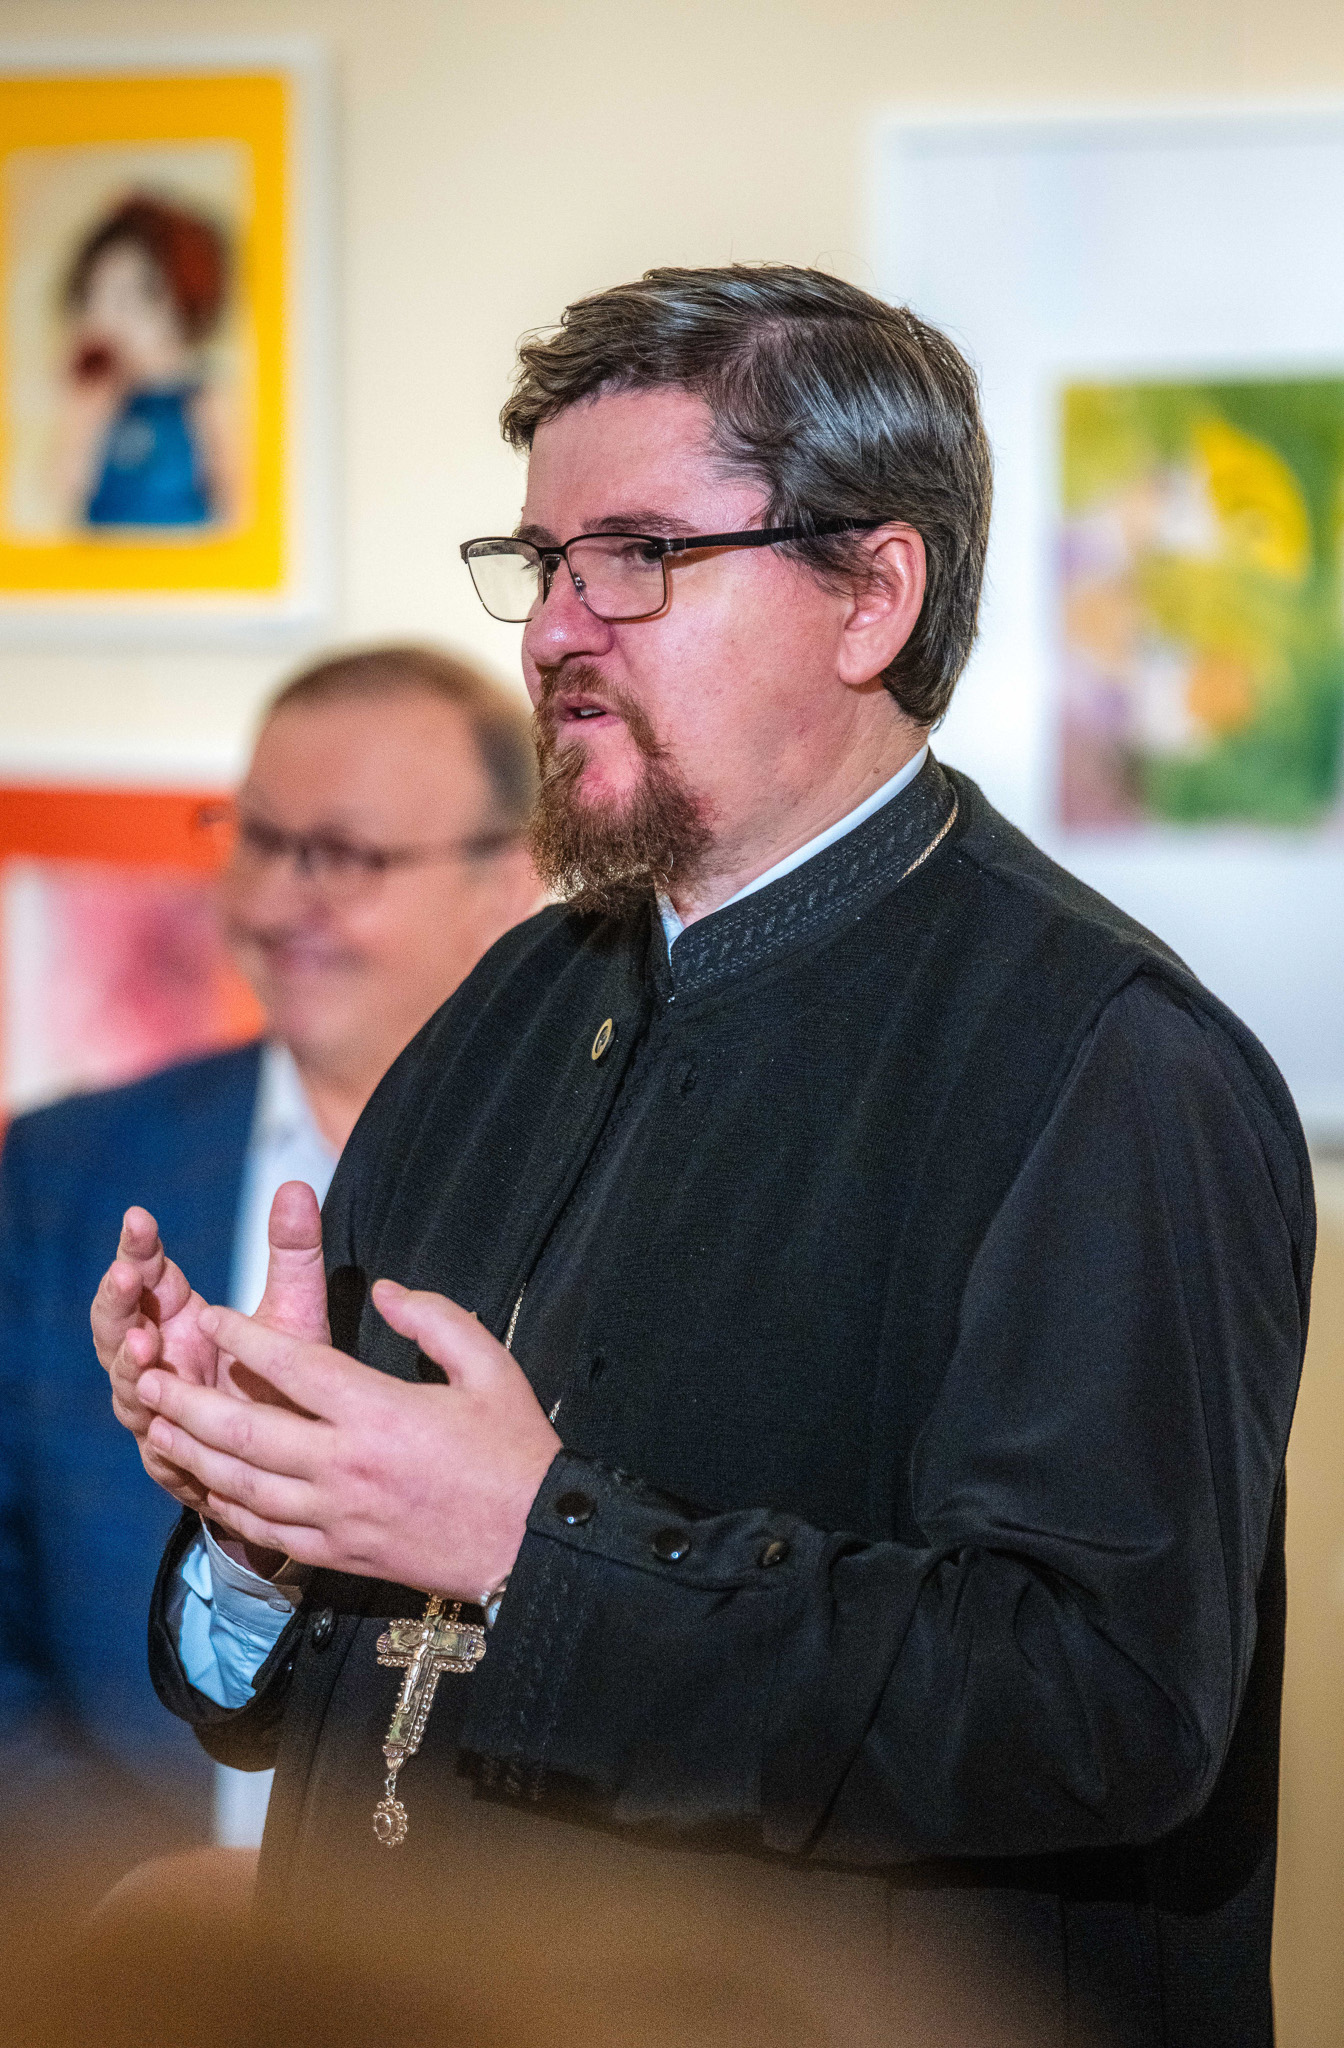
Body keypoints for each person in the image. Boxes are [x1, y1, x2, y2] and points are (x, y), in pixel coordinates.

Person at [95, 269, 1311, 2047]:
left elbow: (1102, 1708)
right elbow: (307, 1693)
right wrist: (266, 1508)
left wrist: (530, 1547)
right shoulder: (516, 996)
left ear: (871, 596)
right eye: (543, 562)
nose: (552, 631)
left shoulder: (1112, 1060)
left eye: (638, 556)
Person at [0, 644, 538, 1883]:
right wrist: (109, 1909)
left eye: (342, 854)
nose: (280, 899)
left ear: (507, 880)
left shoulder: (598, 1176)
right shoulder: (69, 1169)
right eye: (256, 837)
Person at [54, 192, 237, 530]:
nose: (110, 320)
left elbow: (233, 505)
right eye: (95, 299)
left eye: (128, 299)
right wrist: (88, 414)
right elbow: (66, 494)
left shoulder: (201, 400)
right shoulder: (94, 399)